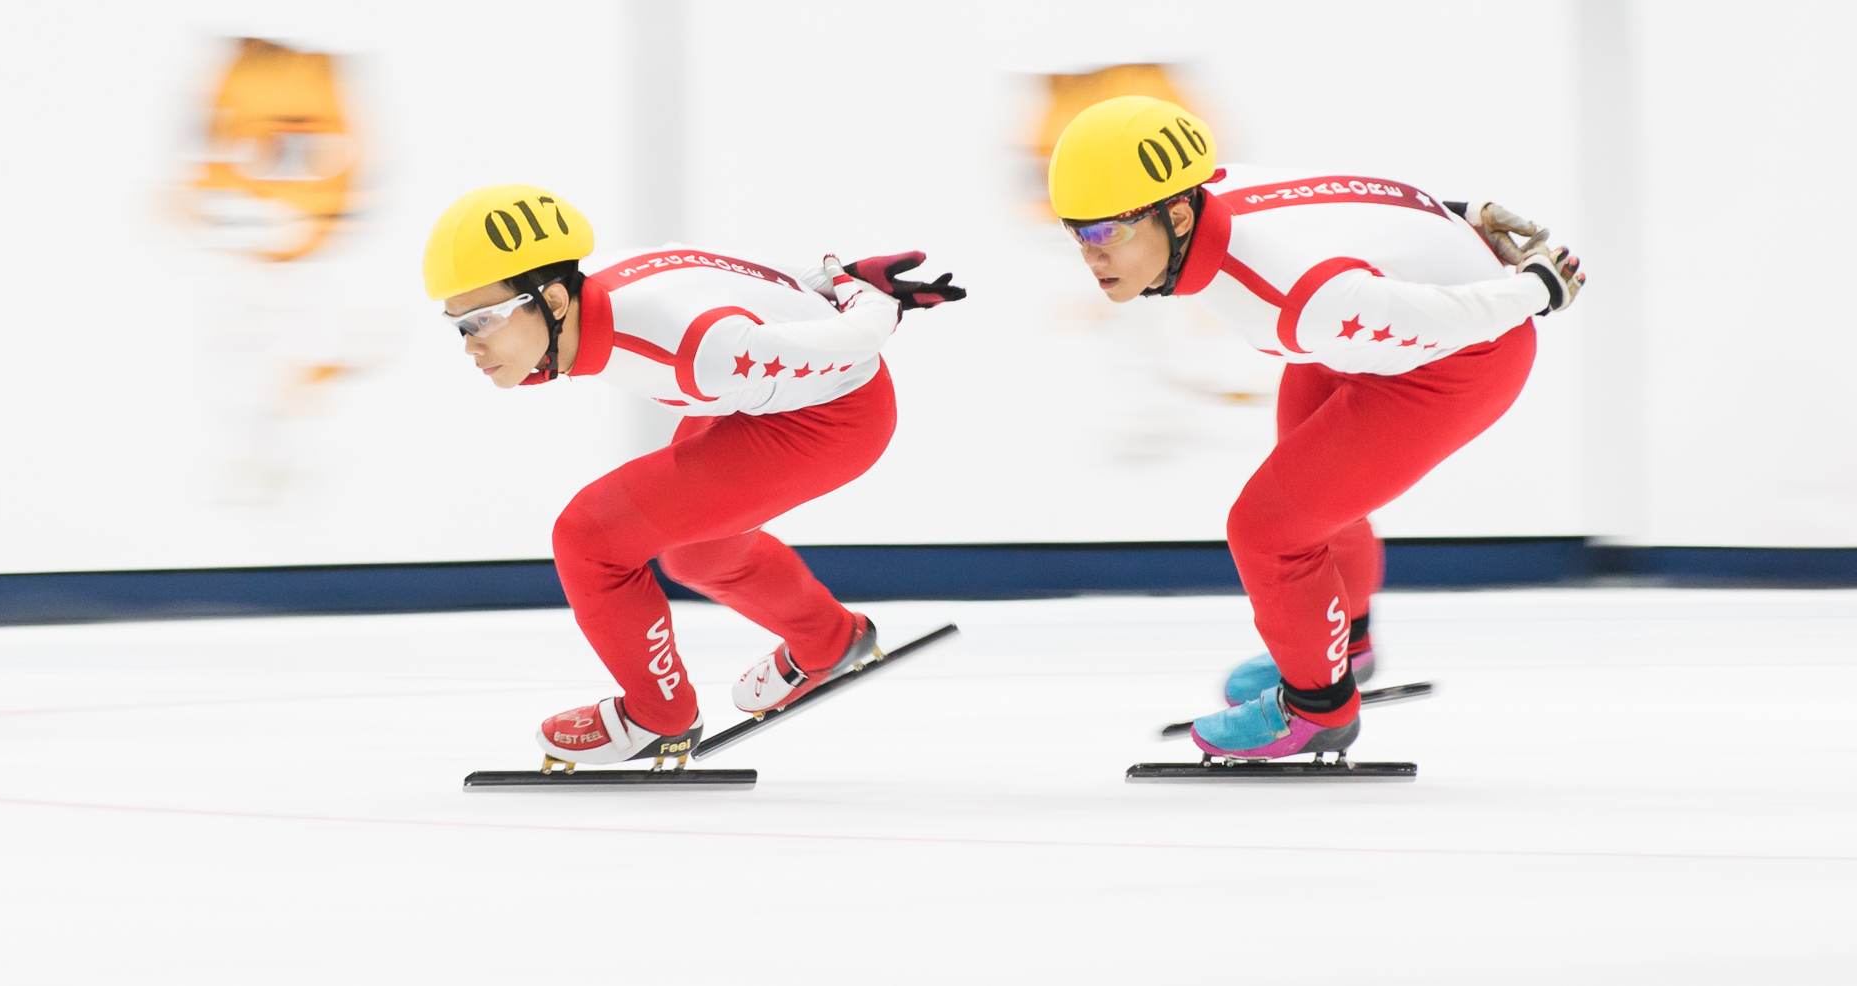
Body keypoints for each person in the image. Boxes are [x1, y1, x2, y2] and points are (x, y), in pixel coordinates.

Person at [1046, 97, 1583, 760]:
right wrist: (1462, 213)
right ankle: (1344, 646)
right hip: (1358, 335)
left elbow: (1452, 318)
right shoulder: (1218, 187)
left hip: (1463, 359)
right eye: (1074, 233)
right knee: (1307, 493)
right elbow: (1356, 197)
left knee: (1268, 530)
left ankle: (1318, 709)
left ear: (1178, 214)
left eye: (1105, 235)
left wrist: (1537, 288)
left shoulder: (1284, 298)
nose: (1089, 257)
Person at [421, 184, 963, 767]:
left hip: (832, 421)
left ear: (553, 301)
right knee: (697, 556)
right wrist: (833, 276)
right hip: (761, 399)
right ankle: (830, 639)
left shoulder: (699, 350)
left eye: (482, 320)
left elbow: (860, 341)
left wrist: (861, 294)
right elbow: (727, 272)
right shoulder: (611, 289)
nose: (470, 346)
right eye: (458, 326)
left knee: (590, 538)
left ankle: (659, 718)